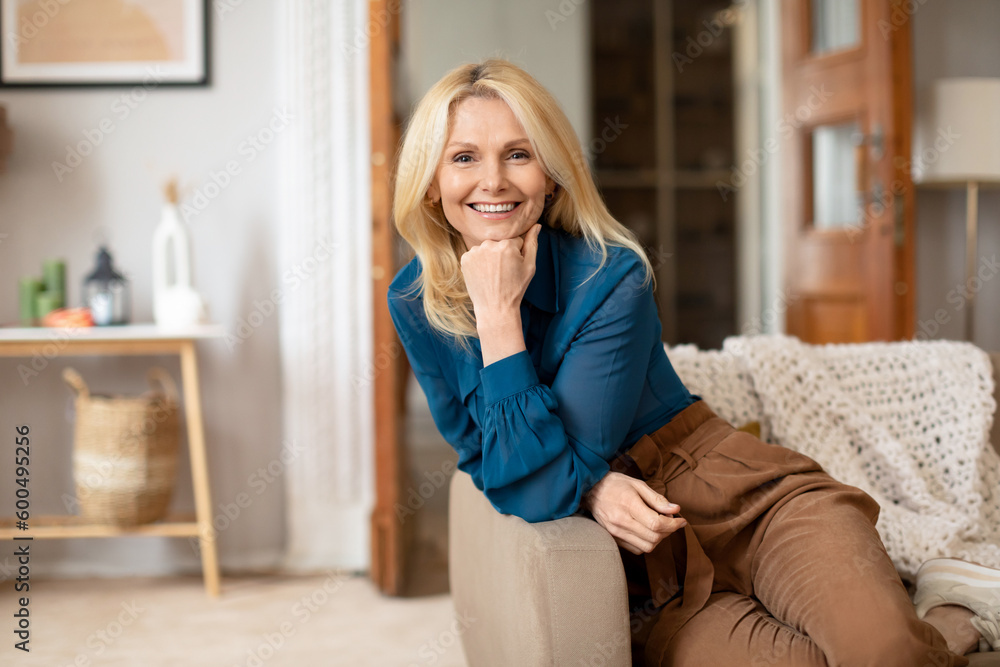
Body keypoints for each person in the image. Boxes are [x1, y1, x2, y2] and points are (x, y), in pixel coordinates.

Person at [387, 58, 1000, 666]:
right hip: (652, 573)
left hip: (746, 504)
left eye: (518, 154)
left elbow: (549, 473)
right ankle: (944, 621)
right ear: (432, 184)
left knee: (882, 652)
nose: (492, 181)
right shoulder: (413, 301)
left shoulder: (610, 277)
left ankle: (928, 616)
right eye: (464, 157)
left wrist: (499, 325)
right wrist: (592, 485)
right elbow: (485, 461)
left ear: (551, 176)